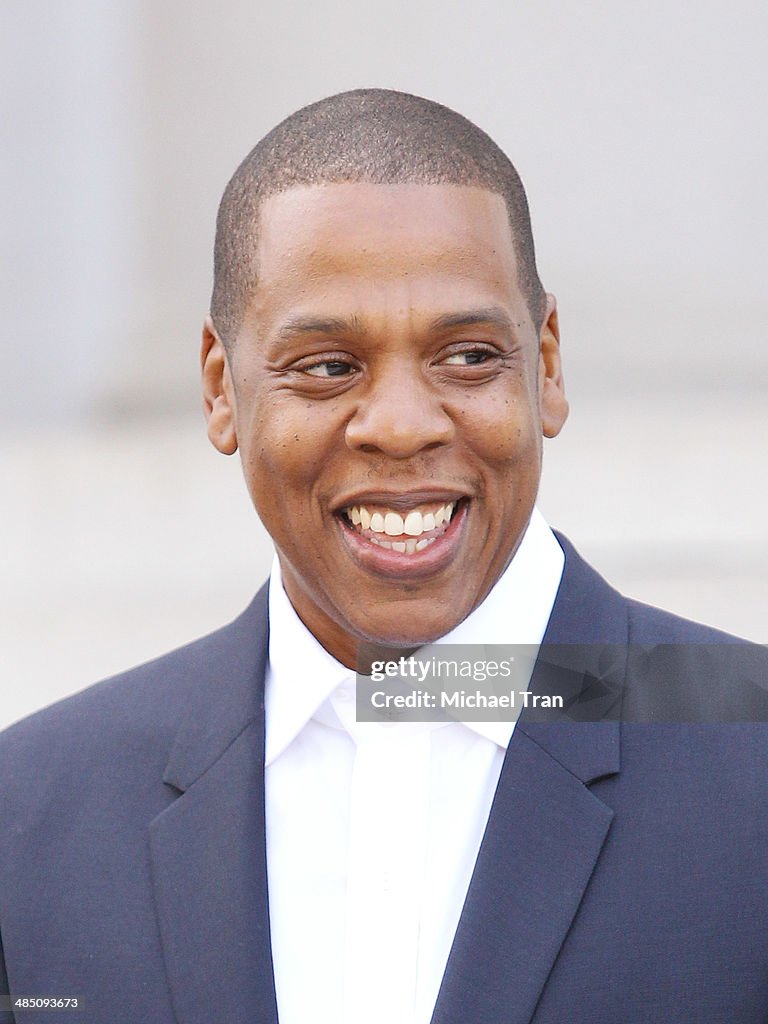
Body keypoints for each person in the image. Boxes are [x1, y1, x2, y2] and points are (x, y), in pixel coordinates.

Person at [1, 89, 767, 1024]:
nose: (401, 426)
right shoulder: (29, 817)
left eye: (469, 355)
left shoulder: (750, 756)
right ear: (220, 390)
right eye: (327, 367)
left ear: (549, 367)